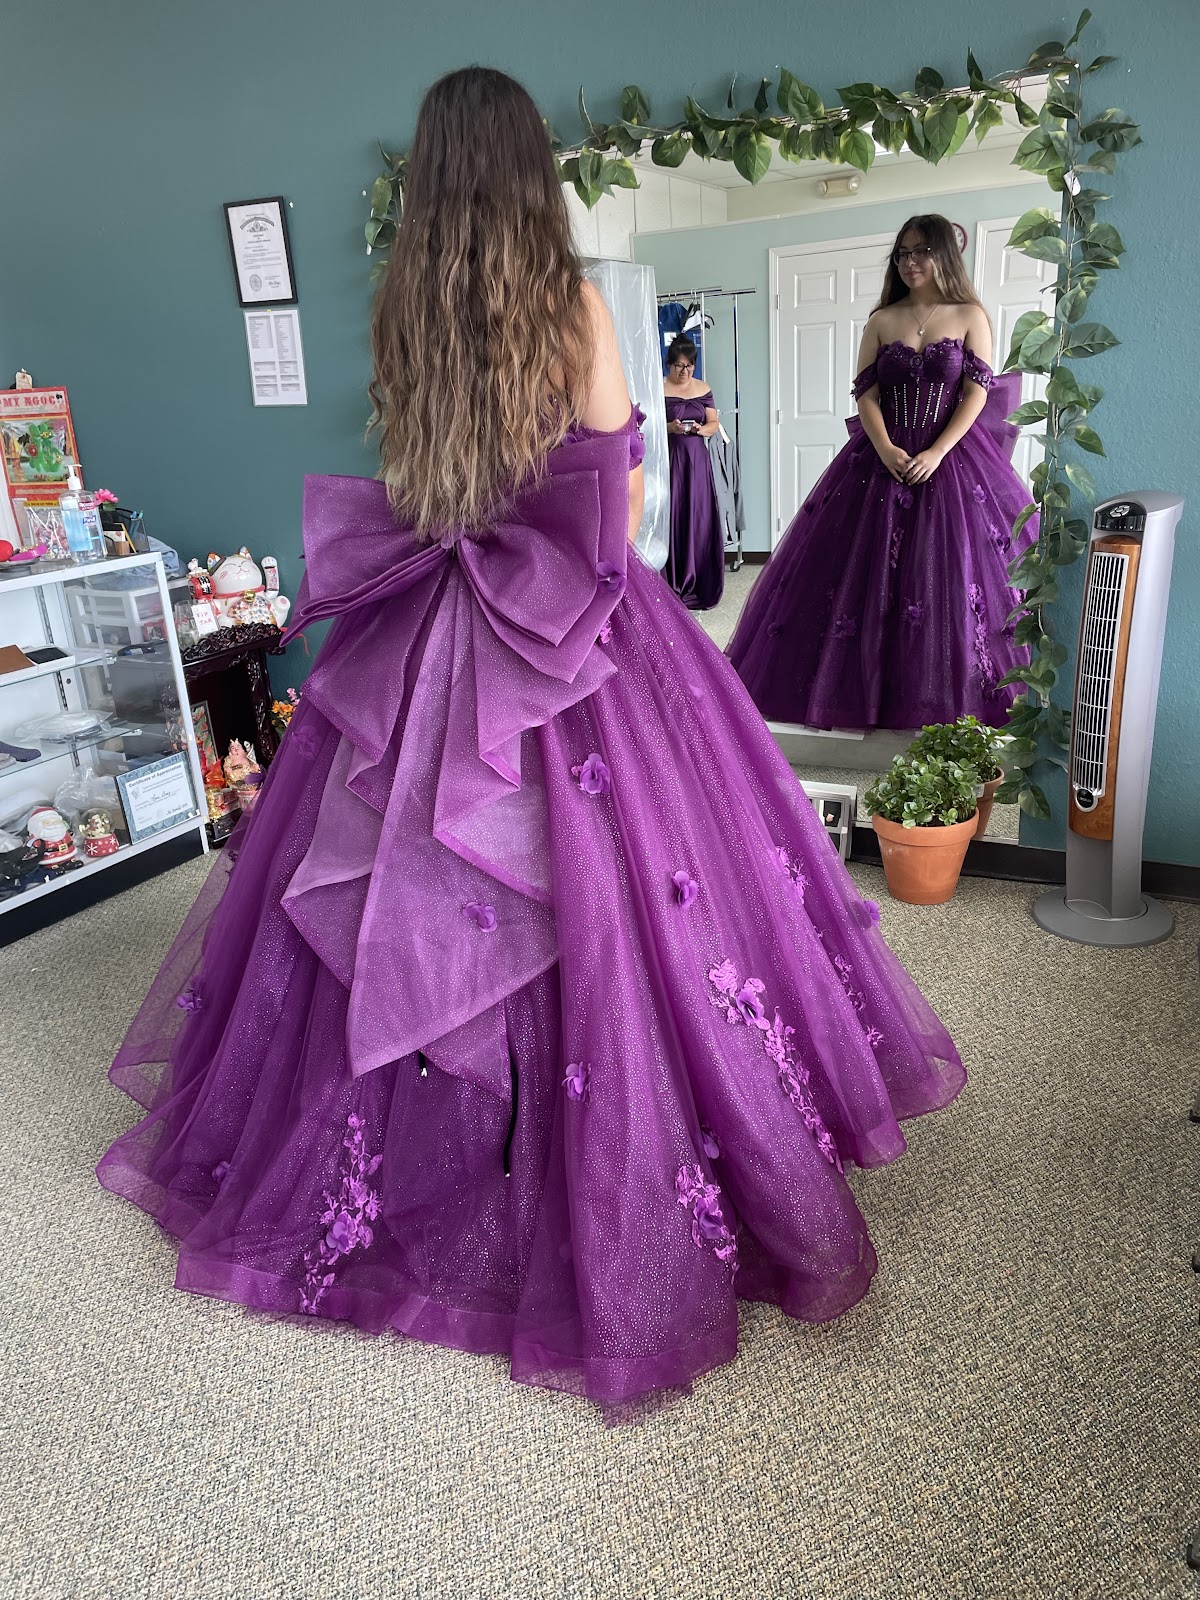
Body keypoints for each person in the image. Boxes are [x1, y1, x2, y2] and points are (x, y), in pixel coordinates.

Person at [97, 74, 965, 1417]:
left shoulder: (402, 307)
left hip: (426, 622)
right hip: (567, 620)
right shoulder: (570, 307)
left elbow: (418, 472)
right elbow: (620, 495)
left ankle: (409, 1157)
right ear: (527, 178)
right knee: (620, 892)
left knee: (397, 871)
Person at [727, 213, 1037, 731]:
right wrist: (887, 448)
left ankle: (941, 696)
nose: (910, 262)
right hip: (881, 460)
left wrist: (936, 453)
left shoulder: (969, 315)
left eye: (921, 252)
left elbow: (976, 394)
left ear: (944, 255)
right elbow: (866, 395)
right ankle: (860, 694)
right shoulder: (882, 320)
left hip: (950, 460)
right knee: (857, 575)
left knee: (949, 576)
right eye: (903, 254)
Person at [663, 335, 725, 610]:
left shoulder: (703, 388)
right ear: (669, 364)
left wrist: (701, 430)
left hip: (698, 460)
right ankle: (675, 580)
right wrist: (671, 428)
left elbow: (713, 423)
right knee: (676, 512)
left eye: (689, 366)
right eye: (679, 366)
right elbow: (647, 426)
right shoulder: (660, 388)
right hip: (673, 459)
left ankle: (700, 578)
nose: (684, 371)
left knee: (699, 513)